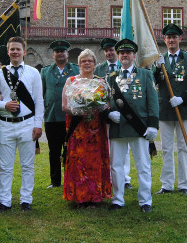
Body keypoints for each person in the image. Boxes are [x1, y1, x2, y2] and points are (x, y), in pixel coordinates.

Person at [0, 36, 43, 213]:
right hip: (5, 124)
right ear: (8, 52)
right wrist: (5, 105)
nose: (15, 52)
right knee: (5, 166)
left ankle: (26, 200)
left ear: (24, 52)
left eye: (18, 49)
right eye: (12, 49)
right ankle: (5, 201)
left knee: (27, 165)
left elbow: (39, 101)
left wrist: (38, 125)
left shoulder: (33, 73)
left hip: (27, 124)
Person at [107, 39, 159, 212]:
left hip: (139, 126)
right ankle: (118, 199)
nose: (125, 55)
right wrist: (108, 115)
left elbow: (152, 101)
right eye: (122, 53)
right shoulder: (111, 77)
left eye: (128, 53)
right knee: (116, 166)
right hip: (118, 127)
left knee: (143, 165)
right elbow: (105, 102)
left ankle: (145, 201)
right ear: (118, 56)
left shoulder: (145, 75)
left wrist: (153, 125)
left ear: (134, 56)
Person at [61, 49, 112, 207]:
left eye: (90, 61)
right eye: (83, 61)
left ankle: (94, 196)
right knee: (79, 161)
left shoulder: (101, 82)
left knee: (94, 161)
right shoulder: (71, 81)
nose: (87, 63)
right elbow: (64, 106)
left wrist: (97, 107)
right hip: (78, 129)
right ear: (79, 64)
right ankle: (79, 196)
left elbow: (107, 104)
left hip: (96, 129)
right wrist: (80, 110)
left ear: (95, 64)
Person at [154, 23, 187, 195]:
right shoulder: (160, 59)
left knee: (183, 147)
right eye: (168, 37)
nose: (171, 40)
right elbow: (155, 81)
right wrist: (158, 68)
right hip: (165, 110)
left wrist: (184, 98)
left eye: (174, 37)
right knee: (166, 148)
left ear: (180, 39)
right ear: (164, 40)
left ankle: (184, 184)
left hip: (183, 110)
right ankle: (166, 184)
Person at [94, 38, 133, 190]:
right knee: (108, 146)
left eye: (111, 50)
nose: (109, 53)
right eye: (106, 50)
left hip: (123, 113)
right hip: (105, 113)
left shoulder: (124, 67)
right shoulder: (99, 69)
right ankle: (109, 177)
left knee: (125, 147)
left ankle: (125, 178)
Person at [41, 40, 79, 188]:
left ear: (67, 54)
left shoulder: (75, 70)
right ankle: (55, 181)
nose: (60, 53)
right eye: (57, 51)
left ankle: (71, 179)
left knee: (71, 149)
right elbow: (42, 93)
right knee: (54, 150)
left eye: (63, 51)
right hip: (52, 116)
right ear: (53, 54)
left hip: (71, 116)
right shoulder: (45, 71)